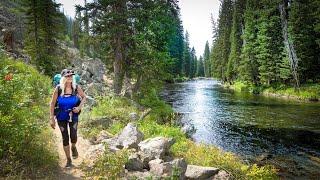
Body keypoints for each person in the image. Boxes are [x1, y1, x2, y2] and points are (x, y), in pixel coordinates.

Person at [49, 69, 86, 168]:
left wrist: (79, 108)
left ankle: (73, 147)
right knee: (65, 137)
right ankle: (69, 160)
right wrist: (51, 118)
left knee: (73, 135)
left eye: (71, 76)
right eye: (67, 75)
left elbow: (84, 97)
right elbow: (52, 103)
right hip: (61, 116)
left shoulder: (76, 87)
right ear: (63, 77)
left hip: (73, 115)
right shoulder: (58, 89)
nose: (70, 77)